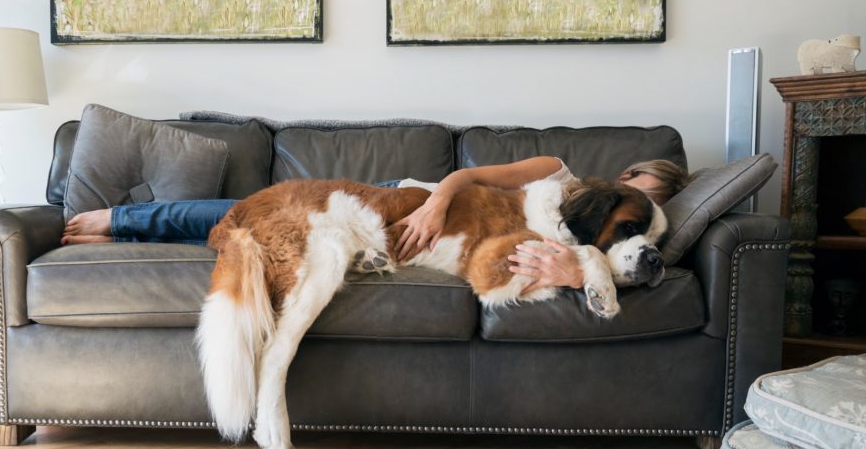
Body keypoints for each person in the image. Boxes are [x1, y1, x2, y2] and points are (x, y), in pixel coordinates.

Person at [61, 157, 692, 293]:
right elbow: (471, 174)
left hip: (435, 226)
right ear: (626, 176)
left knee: (253, 221)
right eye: (638, 186)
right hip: (408, 199)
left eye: (651, 197)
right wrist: (433, 206)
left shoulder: (607, 231)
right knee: (249, 211)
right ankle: (122, 219)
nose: (637, 198)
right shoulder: (558, 172)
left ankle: (124, 225)